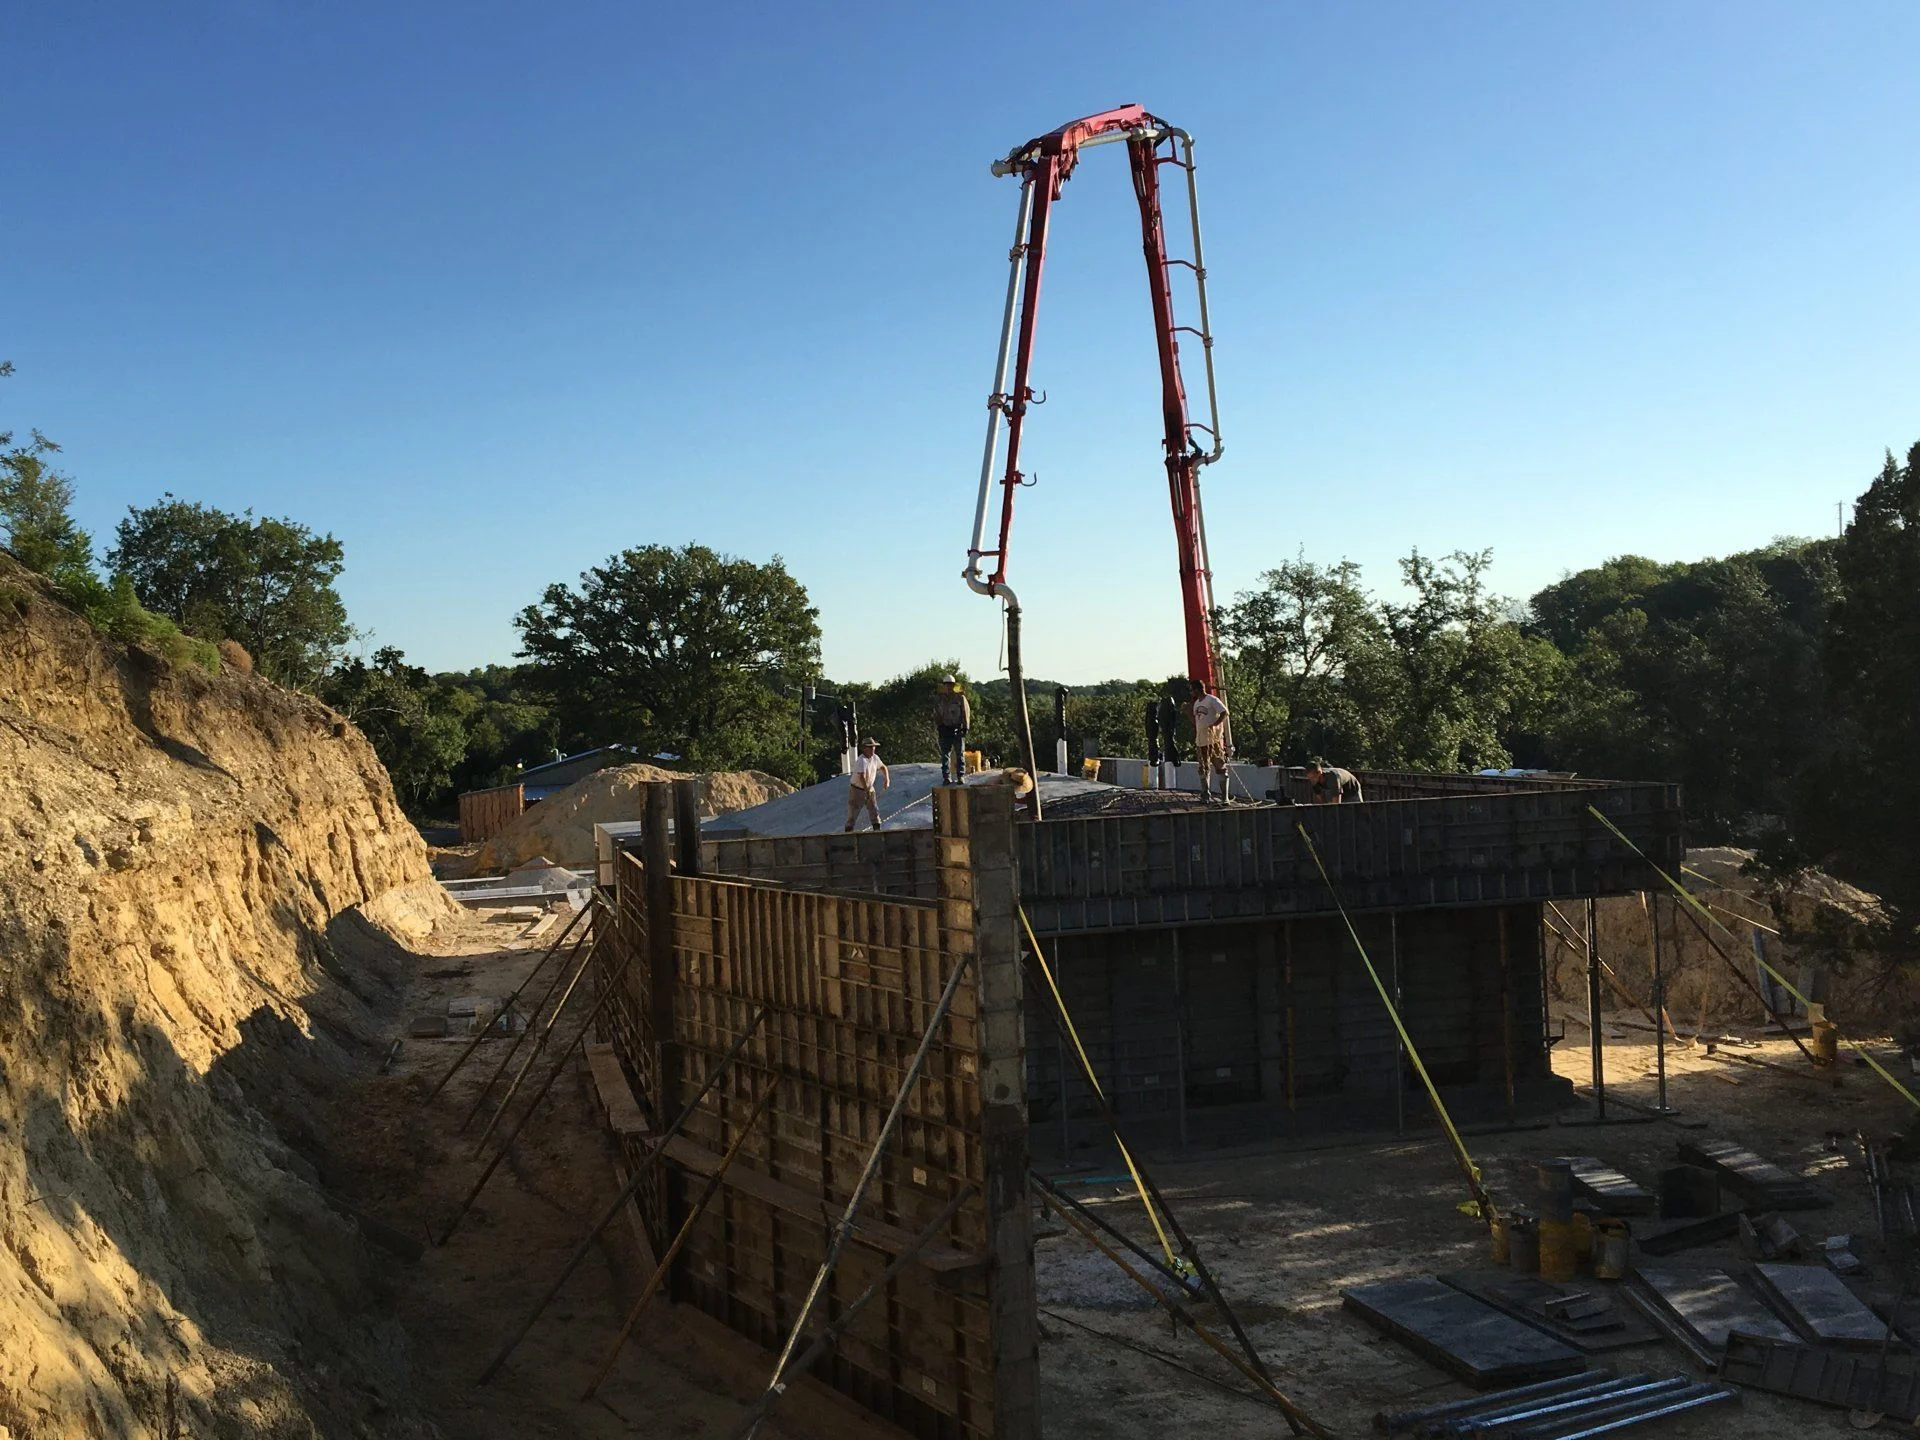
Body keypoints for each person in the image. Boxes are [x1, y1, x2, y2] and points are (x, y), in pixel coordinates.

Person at [1188, 680, 1230, 803]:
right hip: (1201, 740)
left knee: (1219, 765)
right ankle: (1205, 793)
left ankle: (1224, 796)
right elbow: (1197, 723)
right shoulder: (1196, 704)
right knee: (1203, 767)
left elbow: (1224, 712)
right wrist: (1187, 713)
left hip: (1213, 739)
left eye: (1192, 690)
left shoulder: (1212, 700)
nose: (1191, 692)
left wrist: (1215, 724)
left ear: (1197, 689)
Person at [932, 675, 971, 785]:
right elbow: (936, 714)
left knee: (960, 754)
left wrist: (966, 726)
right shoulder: (939, 699)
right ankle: (946, 777)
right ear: (943, 686)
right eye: (946, 685)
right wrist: (939, 726)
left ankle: (960, 776)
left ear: (953, 685)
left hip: (958, 728)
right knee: (945, 755)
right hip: (945, 729)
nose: (948, 687)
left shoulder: (960, 698)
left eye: (950, 685)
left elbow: (966, 712)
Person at [845, 736, 889, 831]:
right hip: (857, 789)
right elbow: (862, 777)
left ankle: (877, 828)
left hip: (869, 787)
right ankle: (849, 830)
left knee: (874, 809)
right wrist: (867, 790)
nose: (872, 749)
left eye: (873, 747)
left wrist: (887, 780)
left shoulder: (875, 758)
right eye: (870, 747)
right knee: (853, 811)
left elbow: (883, 767)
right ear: (864, 748)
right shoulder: (862, 760)